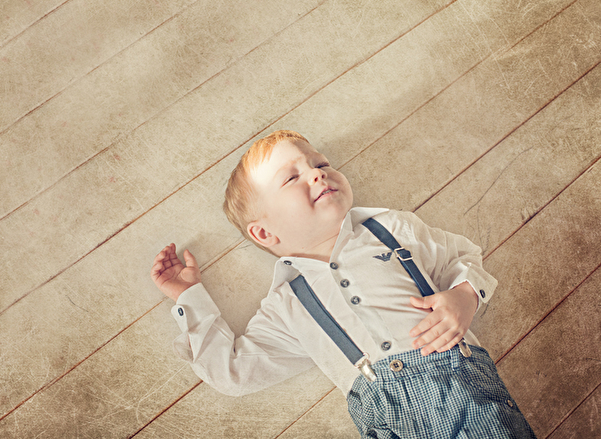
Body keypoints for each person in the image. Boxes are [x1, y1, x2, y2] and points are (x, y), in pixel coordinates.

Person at [151, 130, 536, 438]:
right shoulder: (288, 304)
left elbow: (461, 256)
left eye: (320, 163)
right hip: (389, 421)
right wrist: (188, 296)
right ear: (264, 232)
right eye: (292, 177)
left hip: (467, 397)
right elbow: (233, 372)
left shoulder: (391, 228)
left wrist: (465, 297)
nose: (317, 173)